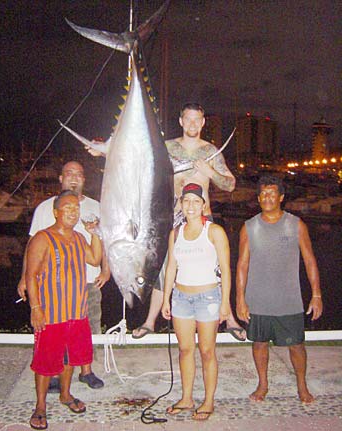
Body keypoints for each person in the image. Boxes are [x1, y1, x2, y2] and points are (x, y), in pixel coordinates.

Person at [85, 102, 243, 340]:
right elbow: (137, 155)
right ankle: (150, 322)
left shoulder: (211, 151)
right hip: (171, 220)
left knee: (216, 270)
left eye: (196, 120)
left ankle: (229, 318)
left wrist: (209, 172)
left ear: (202, 123)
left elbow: (230, 184)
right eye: (187, 119)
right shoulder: (166, 148)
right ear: (181, 121)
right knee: (162, 270)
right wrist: (105, 151)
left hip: (202, 218)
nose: (192, 124)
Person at [18, 161, 110, 390]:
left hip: (88, 281)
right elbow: (32, 248)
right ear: (60, 178)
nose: (74, 178)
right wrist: (24, 277)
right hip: (52, 286)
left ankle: (86, 370)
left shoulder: (96, 207)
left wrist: (106, 270)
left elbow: (104, 244)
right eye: (69, 173)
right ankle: (56, 372)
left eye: (79, 174)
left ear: (84, 179)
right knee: (53, 329)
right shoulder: (45, 208)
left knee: (87, 327)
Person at [236, 175, 323, 404]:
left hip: (289, 299)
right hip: (258, 299)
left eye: (272, 193)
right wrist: (240, 299)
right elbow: (242, 265)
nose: (267, 197)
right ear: (258, 198)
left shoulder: (296, 224)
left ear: (281, 197)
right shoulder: (249, 227)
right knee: (259, 344)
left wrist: (316, 295)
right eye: (263, 194)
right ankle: (262, 384)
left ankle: (302, 386)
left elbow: (310, 260)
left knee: (296, 346)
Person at [26, 190, 102, 430]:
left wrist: (94, 234)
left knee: (69, 360)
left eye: (75, 208)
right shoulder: (43, 238)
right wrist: (35, 308)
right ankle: (40, 406)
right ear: (56, 212)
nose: (72, 212)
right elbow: (31, 276)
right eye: (67, 208)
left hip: (76, 313)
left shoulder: (80, 238)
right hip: (51, 314)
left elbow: (95, 259)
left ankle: (65, 395)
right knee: (45, 362)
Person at [162, 183, 232, 421]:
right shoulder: (175, 233)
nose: (190, 206)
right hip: (181, 297)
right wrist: (166, 299)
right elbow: (171, 266)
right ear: (180, 204)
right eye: (186, 201)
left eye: (195, 201)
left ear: (204, 205)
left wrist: (225, 304)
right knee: (185, 350)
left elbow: (225, 269)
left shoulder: (214, 231)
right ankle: (187, 397)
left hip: (208, 298)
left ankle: (209, 400)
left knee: (206, 350)